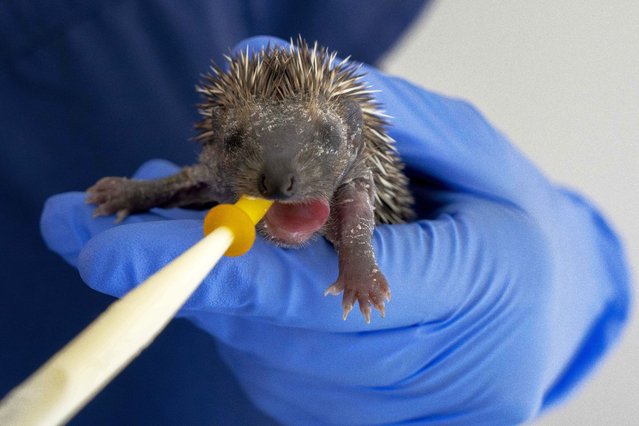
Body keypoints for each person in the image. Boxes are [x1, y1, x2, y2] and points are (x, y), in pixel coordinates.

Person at [1, 1, 630, 424]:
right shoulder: (228, 156)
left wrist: (358, 267)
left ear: (348, 130)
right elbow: (195, 182)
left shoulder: (345, 161)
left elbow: (354, 211)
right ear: (223, 138)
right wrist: (137, 197)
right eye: (244, 155)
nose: (282, 184)